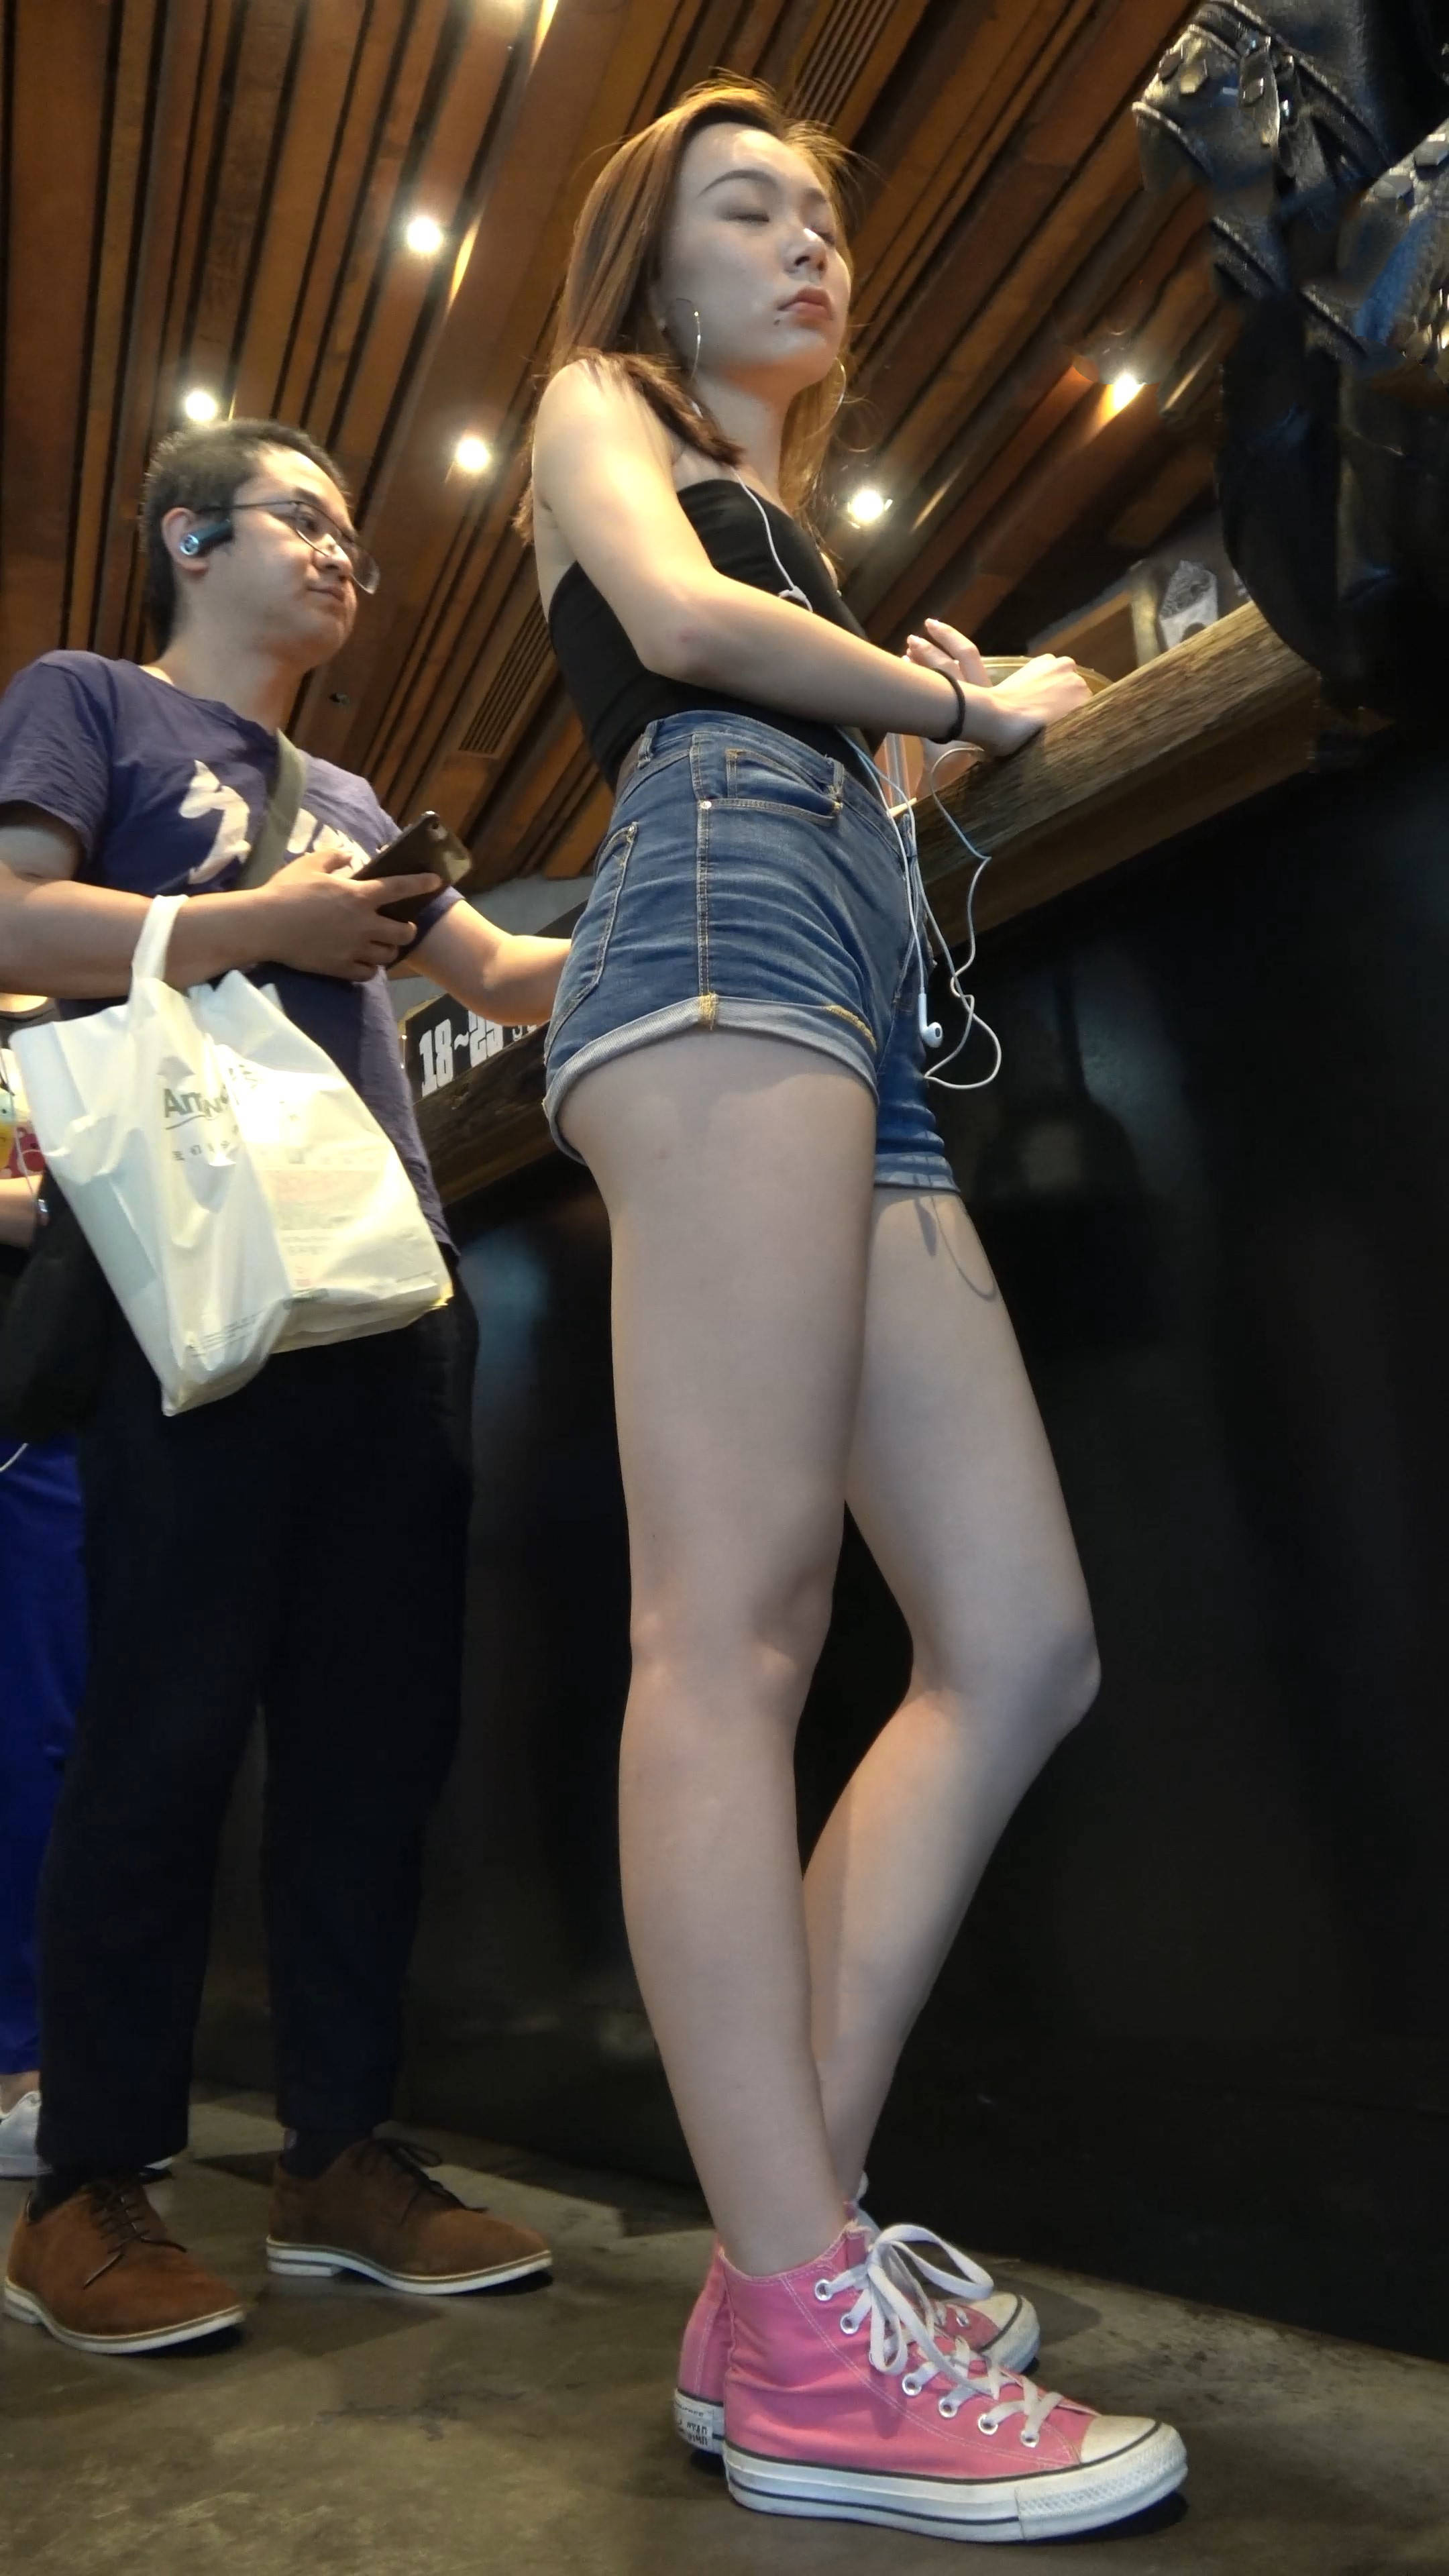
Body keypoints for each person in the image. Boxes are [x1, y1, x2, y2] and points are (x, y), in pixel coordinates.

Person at [524, 78, 1187, 2541]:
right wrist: (959, 704)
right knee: (736, 1624)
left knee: (1014, 1636)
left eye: (821, 214)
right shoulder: (599, 409)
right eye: (750, 209)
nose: (810, 242)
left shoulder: (804, 532)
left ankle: (773, 2270)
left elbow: (822, 731)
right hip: (708, 937)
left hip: (840, 978)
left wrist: (921, 747)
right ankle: (813, 2328)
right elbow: (683, 633)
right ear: (652, 268)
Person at [0, 418, 568, 2353]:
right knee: (159, 1731)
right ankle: (89, 2188)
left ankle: (338, 2156)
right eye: (301, 518)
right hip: (189, 1288)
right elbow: (11, 917)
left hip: (388, 1293)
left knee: (373, 1742)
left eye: (352, 537)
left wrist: (743, 866)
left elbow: (499, 978)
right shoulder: (89, 702)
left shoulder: (349, 789)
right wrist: (268, 927)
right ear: (188, 535)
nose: (342, 555)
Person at [0, 998, 85, 2182]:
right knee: (32, 1734)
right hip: (24, 1405)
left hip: (91, 1399)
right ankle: (22, 2063)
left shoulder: (92, 999)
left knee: (67, 1735)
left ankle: (59, 2060)